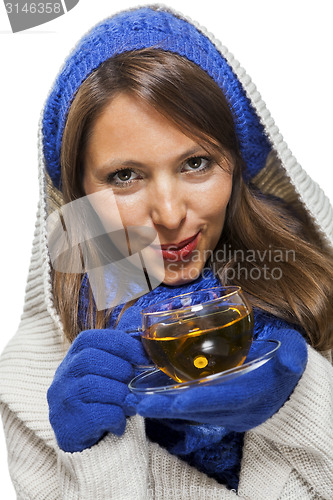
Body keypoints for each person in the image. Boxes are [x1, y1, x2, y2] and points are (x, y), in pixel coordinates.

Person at [0, 4, 332, 499]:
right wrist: (97, 455)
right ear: (79, 200)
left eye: (196, 163)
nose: (171, 213)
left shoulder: (317, 299)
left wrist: (304, 402)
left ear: (237, 167)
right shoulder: (29, 384)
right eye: (125, 176)